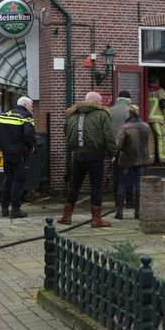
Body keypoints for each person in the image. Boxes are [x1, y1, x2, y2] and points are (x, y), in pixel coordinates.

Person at [58, 91, 115, 228]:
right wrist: (112, 153)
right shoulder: (102, 115)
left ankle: (66, 217)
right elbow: (108, 135)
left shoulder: (73, 114)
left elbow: (66, 131)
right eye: (100, 101)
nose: (101, 103)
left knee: (74, 186)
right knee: (96, 187)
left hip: (78, 154)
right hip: (96, 155)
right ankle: (96, 220)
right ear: (96, 102)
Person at [0, 96, 36, 219]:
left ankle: (4, 208)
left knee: (8, 178)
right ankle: (15, 210)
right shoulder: (26, 116)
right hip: (19, 153)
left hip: (6, 152)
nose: (32, 108)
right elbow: (28, 133)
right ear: (26, 105)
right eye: (31, 105)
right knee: (18, 180)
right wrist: (30, 146)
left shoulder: (5, 114)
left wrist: (2, 141)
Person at [114, 104, 153, 219]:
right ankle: (137, 212)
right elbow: (148, 142)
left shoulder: (125, 127)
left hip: (127, 159)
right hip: (141, 159)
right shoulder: (145, 126)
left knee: (123, 183)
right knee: (138, 185)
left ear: (128, 114)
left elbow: (118, 145)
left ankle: (119, 212)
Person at [109, 91, 131, 205]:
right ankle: (129, 200)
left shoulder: (110, 110)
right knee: (128, 174)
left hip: (114, 148)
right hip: (128, 148)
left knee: (116, 174)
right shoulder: (130, 111)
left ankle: (118, 200)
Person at [147, 77, 165, 164]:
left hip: (147, 120)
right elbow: (164, 104)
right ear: (157, 82)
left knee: (150, 140)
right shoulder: (160, 91)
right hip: (158, 119)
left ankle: (150, 160)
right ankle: (164, 159)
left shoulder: (146, 90)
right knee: (162, 138)